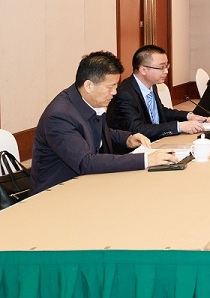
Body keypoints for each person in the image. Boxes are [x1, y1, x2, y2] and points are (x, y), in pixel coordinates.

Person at [30, 51, 177, 195]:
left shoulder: (88, 99)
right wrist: (146, 159)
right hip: (57, 193)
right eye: (110, 87)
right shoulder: (59, 116)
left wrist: (127, 139)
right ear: (89, 86)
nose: (114, 92)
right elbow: (85, 162)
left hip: (87, 184)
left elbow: (100, 131)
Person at [107, 45, 206, 141]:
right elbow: (137, 129)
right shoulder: (125, 93)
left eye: (166, 66)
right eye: (161, 67)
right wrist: (178, 126)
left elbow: (160, 112)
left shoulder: (151, 84)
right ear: (143, 70)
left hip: (156, 140)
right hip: (136, 148)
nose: (166, 71)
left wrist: (189, 116)